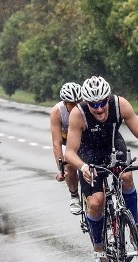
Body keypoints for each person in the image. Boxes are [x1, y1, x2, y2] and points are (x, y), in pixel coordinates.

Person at [64, 75, 138, 262]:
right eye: (93, 104)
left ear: (108, 98)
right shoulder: (78, 114)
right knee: (97, 202)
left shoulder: (120, 104)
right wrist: (83, 167)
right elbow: (69, 152)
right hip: (89, 154)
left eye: (102, 102)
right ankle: (99, 248)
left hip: (113, 145)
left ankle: (134, 233)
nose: (98, 108)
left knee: (126, 177)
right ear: (86, 102)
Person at [50, 82, 83, 214]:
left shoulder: (86, 106)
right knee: (69, 165)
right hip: (66, 140)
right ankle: (74, 195)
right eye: (71, 104)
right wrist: (61, 169)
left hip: (84, 136)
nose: (75, 106)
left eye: (78, 102)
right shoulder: (57, 112)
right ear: (64, 103)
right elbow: (56, 143)